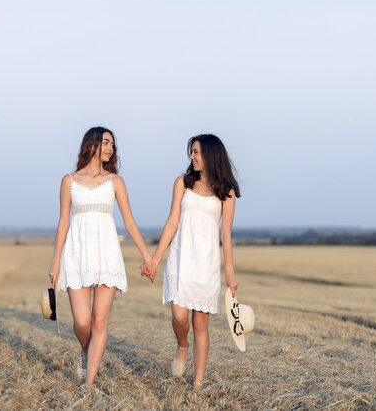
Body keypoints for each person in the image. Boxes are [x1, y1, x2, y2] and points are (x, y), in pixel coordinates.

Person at [48, 126, 155, 385]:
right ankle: (86, 352)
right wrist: (56, 261)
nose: (110, 148)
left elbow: (129, 222)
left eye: (112, 144)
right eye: (106, 142)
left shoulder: (115, 182)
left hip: (107, 253)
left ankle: (89, 384)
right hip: (77, 253)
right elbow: (63, 222)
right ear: (91, 145)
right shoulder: (69, 181)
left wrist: (147, 257)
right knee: (82, 323)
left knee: (99, 321)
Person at [142, 134, 240, 390]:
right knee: (179, 317)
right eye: (191, 152)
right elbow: (172, 221)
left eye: (196, 152)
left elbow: (226, 234)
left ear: (210, 154)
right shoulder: (182, 183)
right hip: (180, 258)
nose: (192, 157)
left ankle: (198, 383)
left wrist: (229, 271)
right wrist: (154, 259)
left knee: (201, 323)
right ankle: (182, 346)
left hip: (206, 263)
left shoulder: (226, 192)